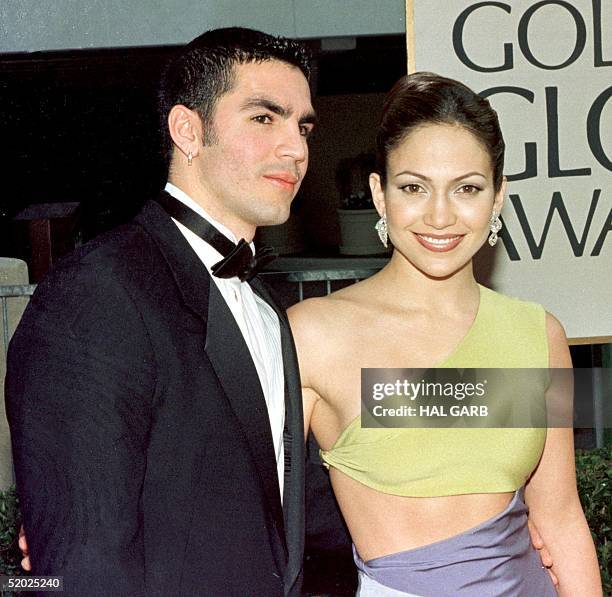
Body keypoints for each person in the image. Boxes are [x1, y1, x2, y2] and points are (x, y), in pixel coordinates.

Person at [5, 27, 315, 597]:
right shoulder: (98, 290)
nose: (296, 148)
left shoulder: (269, 308)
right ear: (188, 131)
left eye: (303, 125)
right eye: (265, 118)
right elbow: (79, 567)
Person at [288, 72, 602, 596]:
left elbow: (561, 519)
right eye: (413, 187)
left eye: (468, 188)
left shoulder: (536, 333)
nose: (439, 215)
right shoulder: (314, 334)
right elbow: (256, 526)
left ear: (498, 196)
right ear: (379, 195)